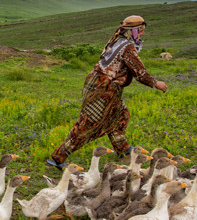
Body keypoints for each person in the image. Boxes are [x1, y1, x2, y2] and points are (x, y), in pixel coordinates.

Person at [47, 15, 167, 170]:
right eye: (141, 31)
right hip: (104, 89)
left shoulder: (116, 42)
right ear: (134, 31)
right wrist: (156, 83)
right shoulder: (127, 47)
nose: (143, 34)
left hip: (102, 86)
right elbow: (139, 72)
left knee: (120, 115)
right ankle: (58, 157)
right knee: (88, 124)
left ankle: (123, 148)